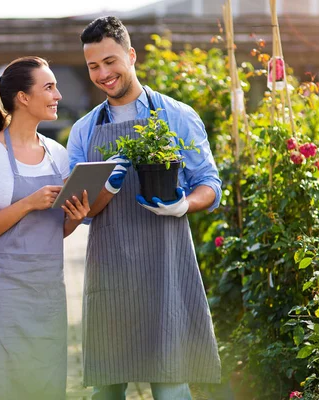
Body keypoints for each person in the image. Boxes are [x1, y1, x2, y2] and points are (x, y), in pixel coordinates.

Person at [67, 16, 222, 400]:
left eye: (110, 61)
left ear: (131, 55)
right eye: (93, 66)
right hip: (110, 272)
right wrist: (104, 187)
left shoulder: (176, 116)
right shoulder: (84, 130)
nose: (103, 74)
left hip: (165, 267)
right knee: (106, 389)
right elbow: (79, 210)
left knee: (170, 386)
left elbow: (211, 185)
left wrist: (183, 204)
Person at [0, 56, 90, 400]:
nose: (58, 95)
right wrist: (28, 203)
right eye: (49, 87)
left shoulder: (58, 155)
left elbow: (53, 230)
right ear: (23, 98)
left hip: (46, 295)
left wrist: (74, 218)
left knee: (44, 386)